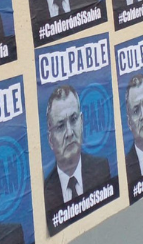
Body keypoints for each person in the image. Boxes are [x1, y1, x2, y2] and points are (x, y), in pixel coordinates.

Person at [41, 85, 112, 216]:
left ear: (82, 122)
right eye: (61, 126)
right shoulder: (44, 194)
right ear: (50, 140)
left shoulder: (101, 169)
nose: (69, 133)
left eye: (73, 120)